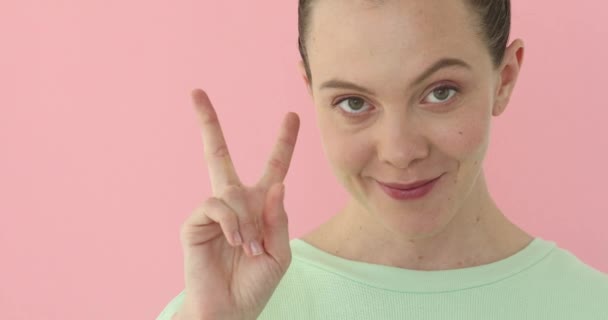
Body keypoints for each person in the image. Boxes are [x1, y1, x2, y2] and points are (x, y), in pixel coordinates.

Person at [157, 0, 608, 319]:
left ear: (504, 79)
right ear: (312, 92)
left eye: (440, 92)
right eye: (354, 102)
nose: (399, 151)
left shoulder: (592, 304)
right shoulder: (225, 305)